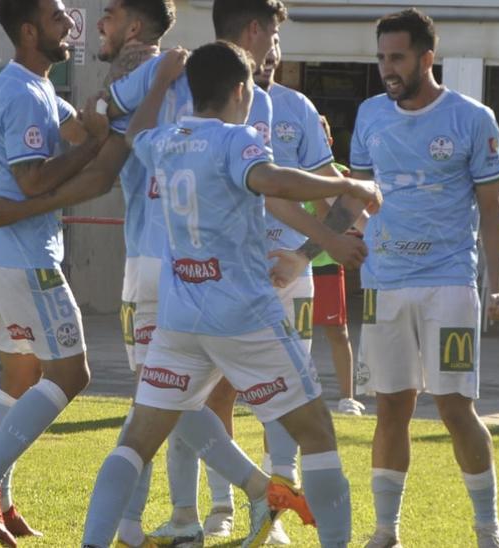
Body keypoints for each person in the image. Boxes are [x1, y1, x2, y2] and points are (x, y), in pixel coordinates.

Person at [80, 39, 382, 548]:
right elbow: (272, 181)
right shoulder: (235, 139)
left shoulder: (165, 141)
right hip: (243, 316)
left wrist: (155, 89)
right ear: (241, 90)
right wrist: (352, 188)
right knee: (317, 434)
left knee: (134, 441)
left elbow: (133, 133)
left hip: (180, 320)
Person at [271, 9, 499, 547]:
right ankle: (386, 532)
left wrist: (494, 284)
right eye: (381, 58)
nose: (388, 69)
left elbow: (493, 211)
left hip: (449, 284)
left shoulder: (473, 119)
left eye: (398, 58)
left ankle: (487, 529)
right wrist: (306, 253)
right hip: (384, 285)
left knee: (454, 406)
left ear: (428, 58)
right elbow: (354, 206)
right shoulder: (371, 116)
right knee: (391, 405)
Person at [0, 1, 128, 545]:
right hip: (25, 255)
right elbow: (31, 182)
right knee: (72, 375)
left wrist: (98, 121)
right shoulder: (24, 93)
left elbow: (77, 130)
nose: (70, 23)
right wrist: (99, 139)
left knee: (21, 377)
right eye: (56, 17)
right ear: (28, 32)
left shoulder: (33, 85)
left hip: (0, 250)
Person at [313, 114, 365, 417]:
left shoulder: (342, 176)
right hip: (296, 265)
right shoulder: (290, 174)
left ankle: (347, 398)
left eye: (322, 136)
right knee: (292, 335)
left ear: (330, 142)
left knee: (337, 331)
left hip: (326, 264)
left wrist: (322, 184)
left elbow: (332, 220)